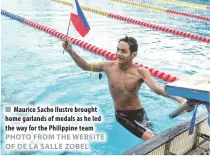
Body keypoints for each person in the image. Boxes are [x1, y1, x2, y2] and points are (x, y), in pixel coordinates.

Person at [62, 36, 191, 140]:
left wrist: (180, 100)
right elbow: (85, 66)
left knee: (154, 139)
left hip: (140, 113)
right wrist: (70, 51)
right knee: (151, 139)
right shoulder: (107, 66)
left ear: (133, 54)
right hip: (122, 115)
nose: (119, 54)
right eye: (118, 49)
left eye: (123, 51)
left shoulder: (141, 72)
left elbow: (157, 89)